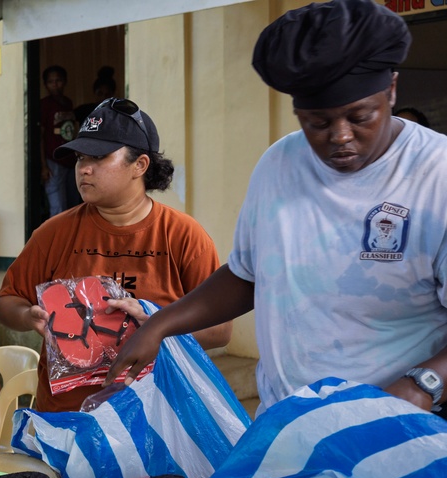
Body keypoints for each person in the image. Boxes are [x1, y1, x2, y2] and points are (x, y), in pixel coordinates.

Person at [110, 0, 447, 416]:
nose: (340, 137)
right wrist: (161, 325)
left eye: (360, 117)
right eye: (317, 123)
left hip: (406, 427)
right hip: (288, 420)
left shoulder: (437, 177)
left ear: (392, 90)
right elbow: (248, 275)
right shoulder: (278, 164)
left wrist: (422, 385)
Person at [0, 98, 231, 412]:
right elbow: (6, 302)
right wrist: (28, 316)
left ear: (140, 165)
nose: (84, 169)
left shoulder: (184, 237)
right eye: (80, 158)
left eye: (98, 157)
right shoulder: (53, 234)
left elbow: (220, 330)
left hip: (158, 417)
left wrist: (155, 326)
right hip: (68, 419)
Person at [40, 65, 77, 217]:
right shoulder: (44, 105)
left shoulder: (68, 103)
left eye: (58, 80)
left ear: (65, 81)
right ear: (46, 85)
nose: (55, 85)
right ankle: (58, 240)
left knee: (73, 204)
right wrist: (43, 166)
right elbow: (40, 136)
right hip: (53, 161)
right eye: (51, 82)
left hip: (70, 159)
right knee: (58, 208)